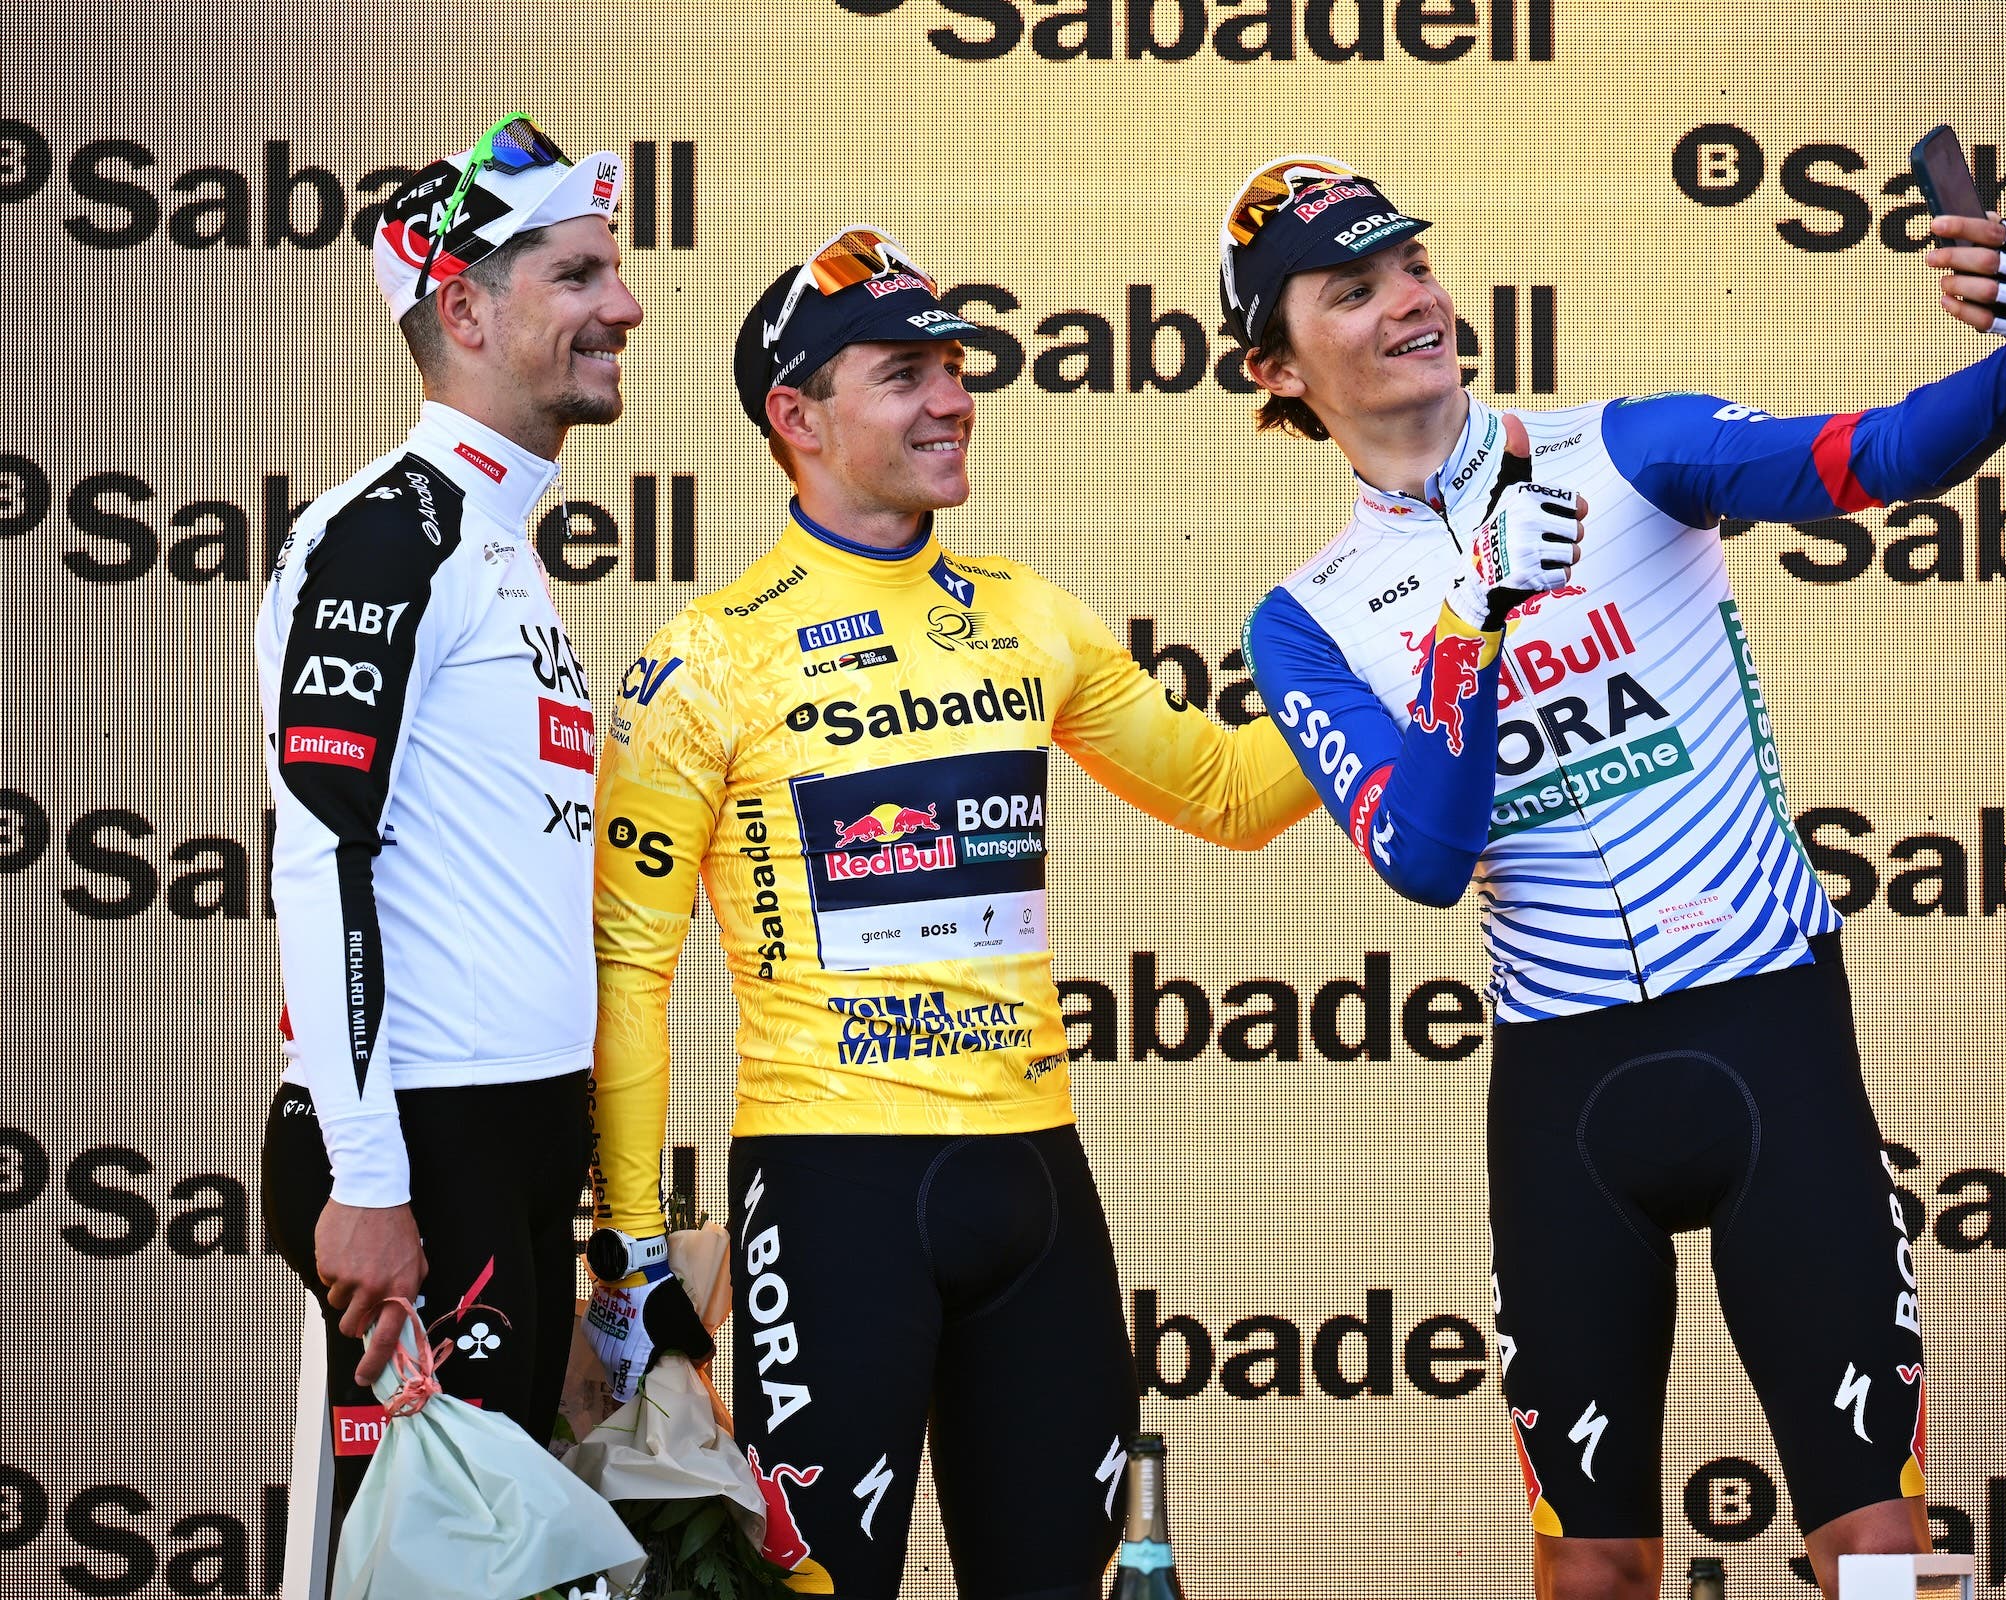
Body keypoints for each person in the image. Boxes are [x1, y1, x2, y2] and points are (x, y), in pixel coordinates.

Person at [1219, 156, 2006, 1599]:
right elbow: (1427, 859)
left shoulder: (1630, 449)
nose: (1415, 301)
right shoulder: (1305, 620)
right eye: (1355, 288)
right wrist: (1481, 628)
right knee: (1595, 1576)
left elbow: (1875, 458)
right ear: (1275, 364)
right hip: (1571, 1094)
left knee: (1878, 1556)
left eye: (1415, 265)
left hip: (1769, 1037)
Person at [586, 225, 1322, 1597]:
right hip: (833, 1191)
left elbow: (1226, 791)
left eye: (955, 368)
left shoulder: (1029, 615)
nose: (951, 399)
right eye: (904, 373)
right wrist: (631, 1249)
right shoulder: (706, 659)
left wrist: (1433, 658)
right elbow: (628, 969)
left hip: (1036, 1181)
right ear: (795, 418)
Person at [254, 115, 649, 1578]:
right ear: (465, 308)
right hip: (419, 1143)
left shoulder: (498, 538)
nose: (624, 306)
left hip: (506, 1137)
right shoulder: (389, 530)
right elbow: (320, 854)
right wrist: (367, 1174)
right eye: (577, 275)